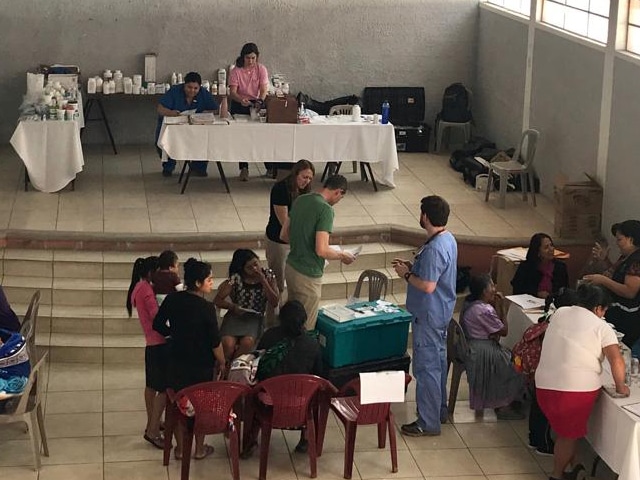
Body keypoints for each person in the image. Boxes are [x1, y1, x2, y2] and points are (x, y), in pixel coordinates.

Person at [536, 283, 629, 480]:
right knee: (568, 435)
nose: (604, 315)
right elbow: (616, 360)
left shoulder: (560, 312)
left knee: (566, 429)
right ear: (598, 308)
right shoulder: (601, 327)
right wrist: (621, 386)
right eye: (604, 310)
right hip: (572, 392)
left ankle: (573, 467)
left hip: (544, 385)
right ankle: (557, 475)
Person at [392, 195, 457, 437]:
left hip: (428, 316)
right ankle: (438, 410)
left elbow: (428, 286)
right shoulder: (446, 239)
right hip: (441, 314)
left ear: (425, 217)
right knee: (438, 365)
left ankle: (427, 422)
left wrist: (406, 275)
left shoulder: (435, 249)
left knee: (426, 368)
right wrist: (413, 267)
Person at [153, 258, 225, 460]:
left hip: (175, 359)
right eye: (209, 279)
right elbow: (214, 342)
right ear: (197, 283)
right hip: (200, 365)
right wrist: (222, 362)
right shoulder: (206, 308)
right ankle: (199, 448)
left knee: (177, 405)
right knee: (200, 406)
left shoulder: (172, 300)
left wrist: (173, 334)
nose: (212, 283)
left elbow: (157, 324)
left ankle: (179, 448)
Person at [280, 175, 355, 330]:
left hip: (291, 267)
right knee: (305, 326)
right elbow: (321, 250)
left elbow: (284, 235)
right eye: (340, 198)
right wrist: (342, 255)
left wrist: (302, 244)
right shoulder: (325, 210)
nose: (337, 202)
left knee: (291, 319)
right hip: (308, 275)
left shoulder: (301, 200)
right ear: (338, 192)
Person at [252, 300, 323, 455]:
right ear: (304, 320)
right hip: (300, 403)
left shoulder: (269, 336)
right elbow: (319, 376)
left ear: (281, 319)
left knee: (252, 392)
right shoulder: (312, 344)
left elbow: (258, 366)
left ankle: (251, 439)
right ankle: (305, 438)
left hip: (270, 401)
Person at [460, 274, 525, 420]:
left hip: (474, 344)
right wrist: (501, 307)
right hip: (481, 349)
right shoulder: (484, 310)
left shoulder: (470, 303)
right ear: (484, 291)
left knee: (510, 356)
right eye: (492, 286)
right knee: (515, 364)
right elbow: (504, 331)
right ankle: (503, 404)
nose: (495, 289)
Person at [126, 256, 166, 450]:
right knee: (165, 389)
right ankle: (152, 430)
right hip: (158, 343)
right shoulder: (147, 290)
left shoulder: (138, 287)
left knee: (151, 386)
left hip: (151, 343)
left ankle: (153, 422)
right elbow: (156, 317)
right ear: (152, 272)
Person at [155, 71, 228, 177]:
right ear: (184, 85)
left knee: (205, 140)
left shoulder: (203, 93)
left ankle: (199, 167)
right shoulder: (174, 91)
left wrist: (204, 113)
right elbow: (160, 109)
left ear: (200, 87)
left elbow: (216, 110)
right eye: (189, 87)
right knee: (163, 140)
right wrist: (171, 113)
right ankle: (168, 166)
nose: (192, 91)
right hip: (174, 125)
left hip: (196, 126)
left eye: (195, 88)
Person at [583, 219, 640, 352]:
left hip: (627, 317)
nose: (617, 243)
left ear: (631, 240)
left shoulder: (636, 261)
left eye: (620, 239)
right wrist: (604, 260)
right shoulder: (624, 257)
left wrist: (603, 280)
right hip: (613, 309)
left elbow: (629, 291)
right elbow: (614, 276)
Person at [214, 249, 279, 361]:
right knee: (227, 343)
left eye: (256, 264)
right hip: (236, 315)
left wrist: (263, 281)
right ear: (242, 269)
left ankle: (233, 368)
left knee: (247, 342)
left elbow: (274, 301)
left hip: (254, 317)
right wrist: (233, 307)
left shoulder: (269, 275)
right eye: (249, 268)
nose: (254, 269)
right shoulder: (236, 278)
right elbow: (218, 300)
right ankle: (224, 367)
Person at [265, 159, 315, 292]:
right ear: (295, 174)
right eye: (304, 177)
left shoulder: (306, 191)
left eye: (310, 178)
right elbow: (284, 222)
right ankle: (274, 312)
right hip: (278, 240)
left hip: (295, 238)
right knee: (277, 283)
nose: (307, 181)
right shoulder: (280, 189)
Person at [228, 42, 270, 181]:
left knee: (261, 136)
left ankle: (269, 167)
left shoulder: (261, 69)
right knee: (243, 138)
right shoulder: (236, 70)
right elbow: (233, 92)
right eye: (247, 58)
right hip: (240, 103)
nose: (250, 61)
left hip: (256, 103)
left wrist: (260, 101)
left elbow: (263, 89)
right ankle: (244, 168)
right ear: (243, 57)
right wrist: (241, 100)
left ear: (257, 57)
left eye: (253, 58)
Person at [511, 232, 569, 299]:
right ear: (538, 252)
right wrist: (536, 293)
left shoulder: (560, 267)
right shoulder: (526, 267)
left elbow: (565, 291)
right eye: (546, 247)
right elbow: (517, 290)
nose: (551, 249)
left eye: (551, 245)